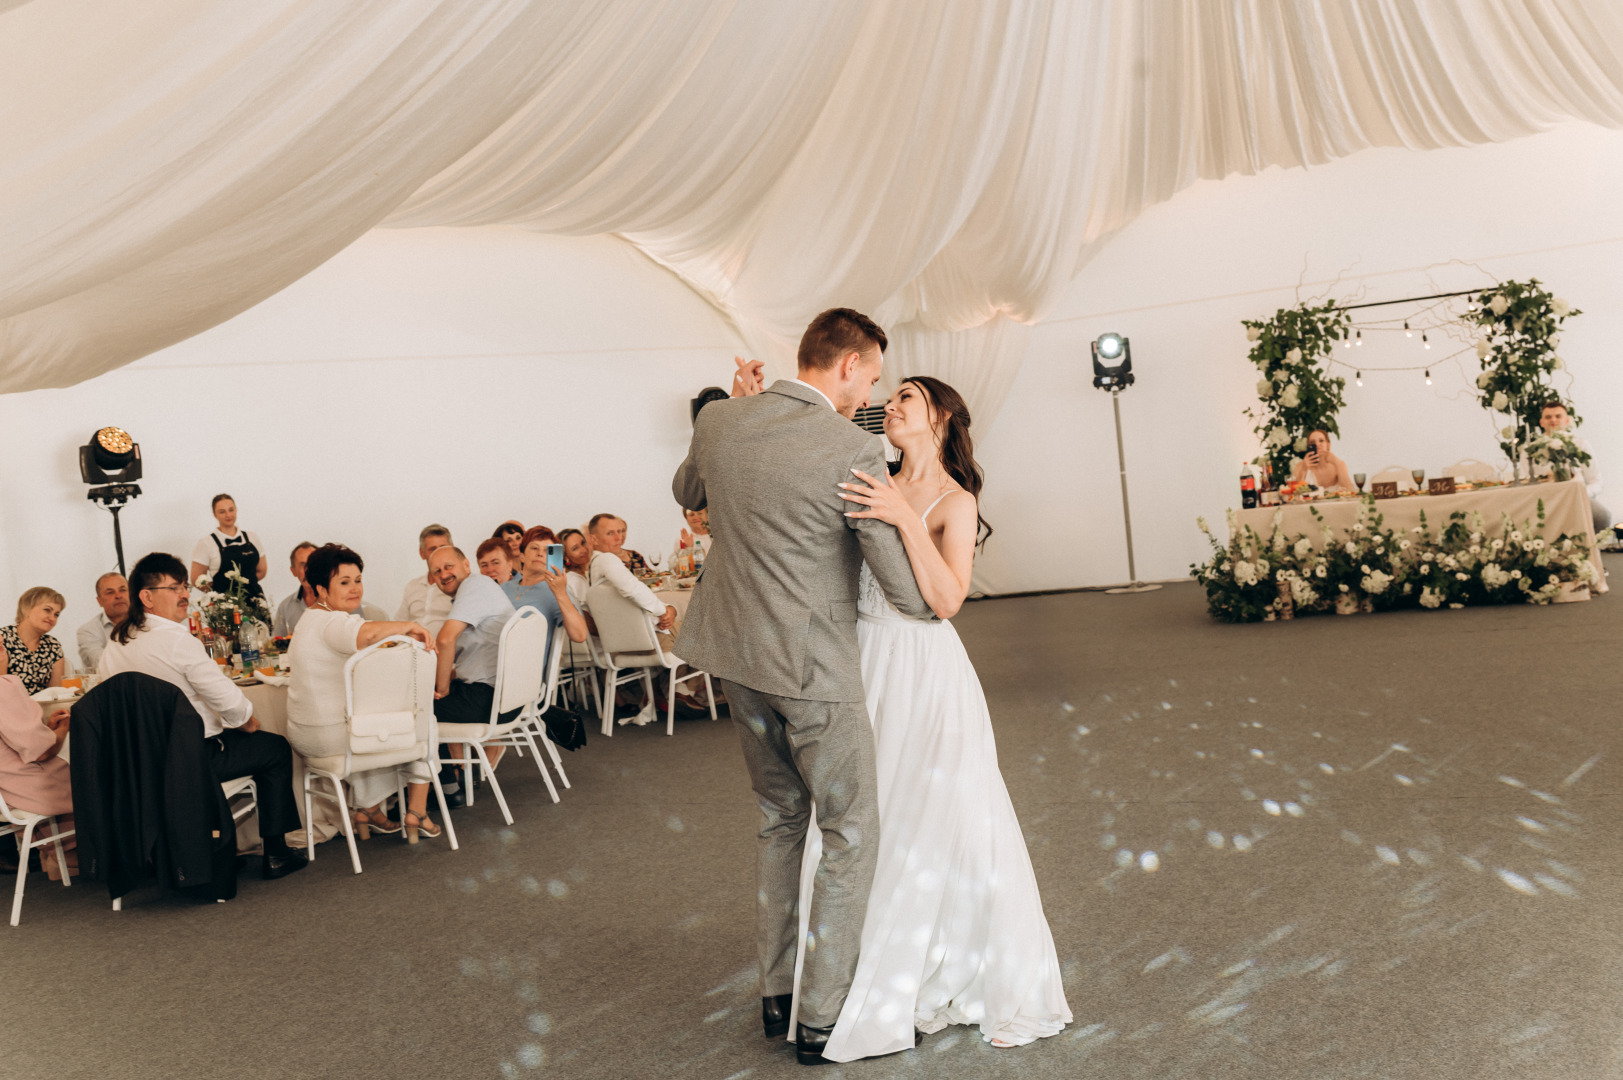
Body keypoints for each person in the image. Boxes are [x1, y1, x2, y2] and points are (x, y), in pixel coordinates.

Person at [671, 307, 935, 1066]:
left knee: (780, 817)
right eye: (871, 378)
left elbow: (688, 489)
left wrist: (725, 406)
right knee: (851, 828)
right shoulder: (850, 445)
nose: (870, 396)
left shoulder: (720, 422)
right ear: (846, 366)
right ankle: (822, 1017)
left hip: (737, 662)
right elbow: (890, 572)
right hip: (813, 668)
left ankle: (777, 992)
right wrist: (928, 599)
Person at [812, 375, 1070, 1058]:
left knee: (938, 811)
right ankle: (854, 964)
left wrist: (902, 517)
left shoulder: (956, 500)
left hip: (923, 666)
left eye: (907, 400)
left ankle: (948, 959)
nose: (891, 407)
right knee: (869, 811)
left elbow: (947, 598)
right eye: (889, 398)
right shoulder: (868, 474)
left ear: (941, 417)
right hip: (864, 660)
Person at [98, 553, 306, 879]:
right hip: (190, 761)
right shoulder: (177, 640)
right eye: (174, 588)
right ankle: (277, 853)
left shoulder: (115, 643)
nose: (185, 595)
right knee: (275, 748)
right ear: (147, 596)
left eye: (185, 587)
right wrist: (245, 719)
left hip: (141, 765)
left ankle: (213, 847)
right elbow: (228, 699)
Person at [286, 544, 441, 842]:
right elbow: (367, 635)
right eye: (344, 582)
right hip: (331, 739)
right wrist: (410, 625)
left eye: (357, 580)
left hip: (309, 733)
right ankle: (417, 813)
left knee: (377, 717)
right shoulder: (332, 622)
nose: (354, 589)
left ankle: (368, 810)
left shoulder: (311, 618)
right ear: (321, 589)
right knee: (424, 721)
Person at [0, 642, 74, 879]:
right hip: (28, 788)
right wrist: (62, 730)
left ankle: (60, 857)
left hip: (6, 789)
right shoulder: (3, 688)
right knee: (101, 772)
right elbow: (41, 752)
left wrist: (47, 730)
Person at [428, 546, 518, 730]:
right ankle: (457, 760)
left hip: (489, 699)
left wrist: (442, 689)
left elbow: (445, 640)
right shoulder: (477, 587)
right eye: (437, 571)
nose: (443, 574)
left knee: (409, 706)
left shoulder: (475, 585)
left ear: (466, 565)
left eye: (448, 566)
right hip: (506, 695)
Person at [504, 527, 590, 656]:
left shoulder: (555, 590)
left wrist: (560, 593)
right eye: (534, 548)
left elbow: (580, 635)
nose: (540, 553)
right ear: (522, 556)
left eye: (547, 551)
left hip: (521, 662)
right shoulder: (504, 587)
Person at [1537, 401, 1610, 533]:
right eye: (1548, 417)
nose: (1553, 420)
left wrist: (1581, 493)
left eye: (1558, 416)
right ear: (1541, 422)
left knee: (1602, 516)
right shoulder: (1531, 450)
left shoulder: (1581, 445)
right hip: (1546, 501)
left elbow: (1597, 481)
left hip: (1578, 498)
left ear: (1567, 420)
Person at [189, 494, 267, 599]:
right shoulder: (206, 543)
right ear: (214, 514)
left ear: (236, 510)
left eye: (231, 510)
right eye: (222, 512)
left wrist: (245, 586)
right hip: (225, 605)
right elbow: (196, 580)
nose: (228, 515)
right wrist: (219, 593)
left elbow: (262, 570)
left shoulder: (252, 537)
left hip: (255, 599)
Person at [3, 587, 66, 695]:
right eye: (47, 610)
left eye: (56, 614)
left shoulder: (53, 646)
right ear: (26, 608)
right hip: (9, 709)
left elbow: (56, 693)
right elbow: (2, 691)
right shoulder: (3, 639)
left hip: (44, 710)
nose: (52, 618)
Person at [396, 524, 456, 636]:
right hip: (410, 647)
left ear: (452, 549)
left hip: (441, 649)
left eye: (442, 548)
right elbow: (399, 623)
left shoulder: (459, 586)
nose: (438, 553)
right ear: (422, 553)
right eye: (432, 549)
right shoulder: (412, 586)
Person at [76, 572, 128, 672]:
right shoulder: (88, 631)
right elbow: (102, 664)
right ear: (100, 601)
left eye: (123, 590)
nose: (118, 596)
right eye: (110, 592)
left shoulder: (148, 622)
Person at [273, 542, 317, 636]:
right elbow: (276, 643)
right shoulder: (285, 608)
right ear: (293, 571)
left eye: (313, 563)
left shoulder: (342, 600)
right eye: (302, 565)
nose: (309, 569)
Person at [1288, 430, 1354, 492]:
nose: (1317, 444)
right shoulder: (1300, 465)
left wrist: (1337, 462)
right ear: (1308, 446)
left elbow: (1350, 490)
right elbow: (1294, 493)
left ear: (1328, 445)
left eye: (1321, 441)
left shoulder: (1338, 464)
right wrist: (1304, 468)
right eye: (1312, 442)